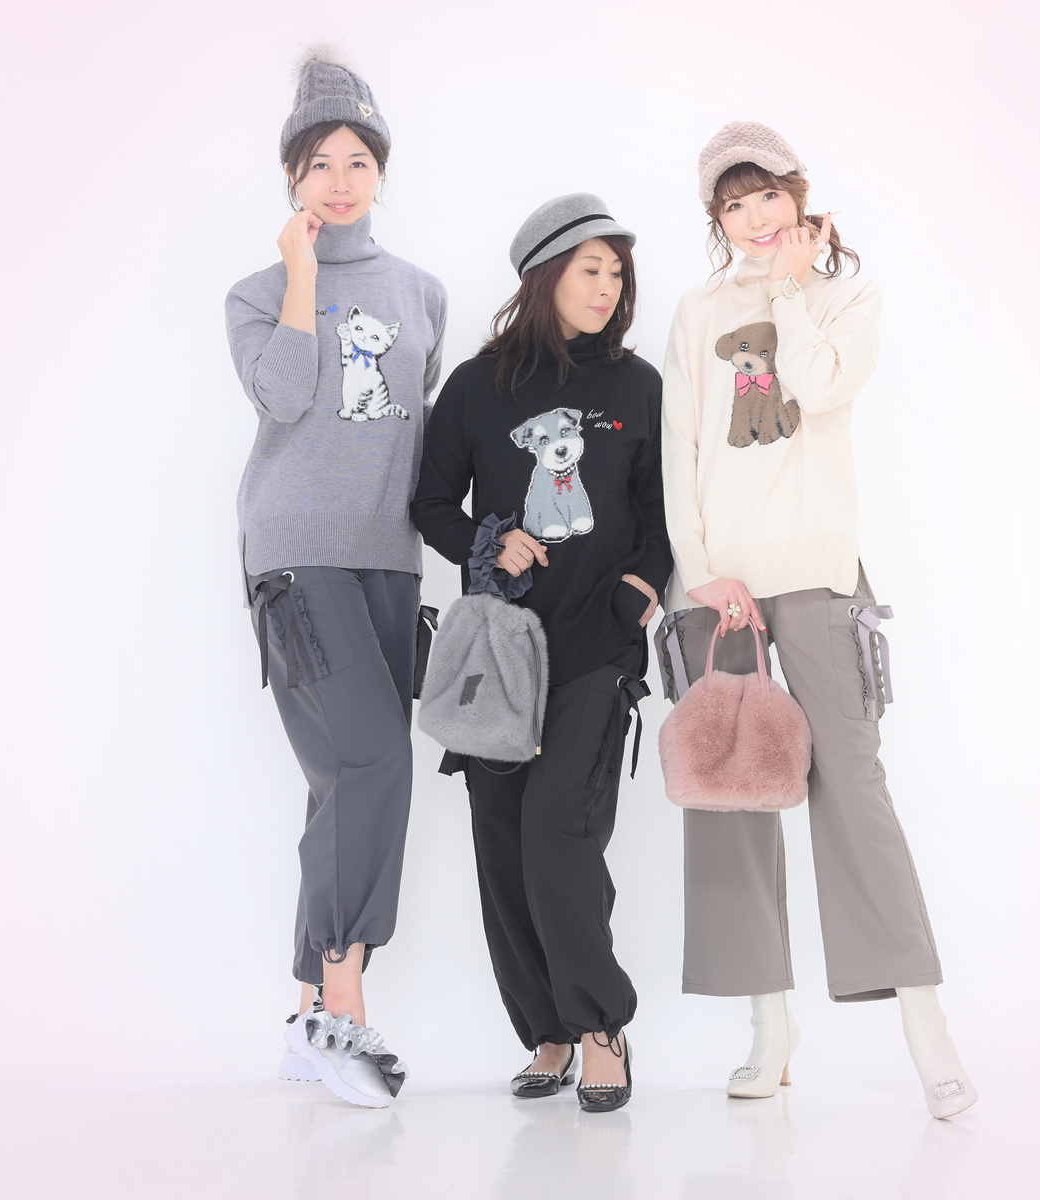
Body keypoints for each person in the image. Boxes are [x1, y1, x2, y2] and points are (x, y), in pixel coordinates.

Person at [657, 121, 978, 1118]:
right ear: (717, 219)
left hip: (818, 574)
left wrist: (793, 290)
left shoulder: (848, 296)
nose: (755, 218)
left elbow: (821, 384)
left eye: (768, 196)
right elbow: (681, 446)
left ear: (798, 196)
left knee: (854, 788)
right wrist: (699, 571)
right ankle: (770, 1026)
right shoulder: (697, 310)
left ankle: (926, 1027)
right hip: (722, 588)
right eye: (734, 204)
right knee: (732, 798)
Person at [412, 194, 671, 1113]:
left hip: (597, 645)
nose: (606, 288)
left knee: (560, 828)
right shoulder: (479, 385)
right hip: (499, 648)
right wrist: (490, 540)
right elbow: (430, 502)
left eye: (616, 272)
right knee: (502, 839)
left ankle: (600, 1027)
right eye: (589, 269)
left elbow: (662, 512)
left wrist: (639, 591)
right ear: (544, 276)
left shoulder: (637, 387)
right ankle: (548, 1032)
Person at [224, 49, 447, 1108]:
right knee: (375, 764)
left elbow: (415, 428)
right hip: (296, 553)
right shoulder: (257, 294)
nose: (342, 181)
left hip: (388, 556)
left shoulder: (423, 292)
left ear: (381, 171)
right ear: (292, 177)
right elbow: (283, 398)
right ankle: (342, 1011)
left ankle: (301, 1014)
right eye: (321, 164)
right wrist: (304, 277)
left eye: (359, 161)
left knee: (341, 782)